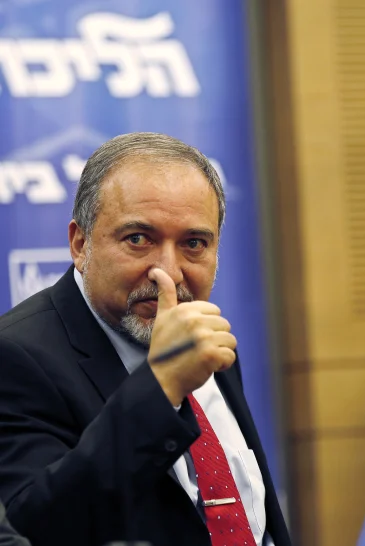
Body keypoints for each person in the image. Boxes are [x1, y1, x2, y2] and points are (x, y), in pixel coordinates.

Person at [0, 132, 291, 546]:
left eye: (194, 243)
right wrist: (161, 385)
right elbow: (37, 529)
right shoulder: (15, 358)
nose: (169, 273)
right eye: (139, 239)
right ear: (80, 244)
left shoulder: (207, 342)